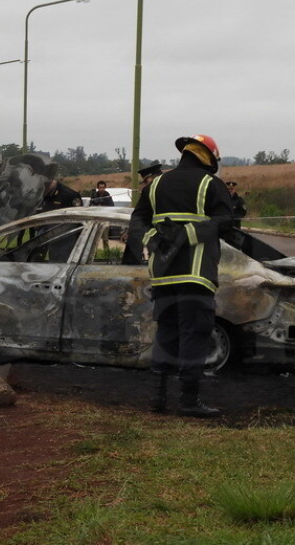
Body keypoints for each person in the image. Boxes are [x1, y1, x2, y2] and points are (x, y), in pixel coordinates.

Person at [129, 134, 233, 417]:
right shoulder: (212, 185)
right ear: (209, 157)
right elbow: (227, 221)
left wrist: (153, 239)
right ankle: (189, 401)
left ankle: (157, 400)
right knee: (194, 335)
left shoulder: (157, 183)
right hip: (196, 275)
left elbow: (137, 219)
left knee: (167, 334)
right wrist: (192, 234)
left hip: (163, 276)